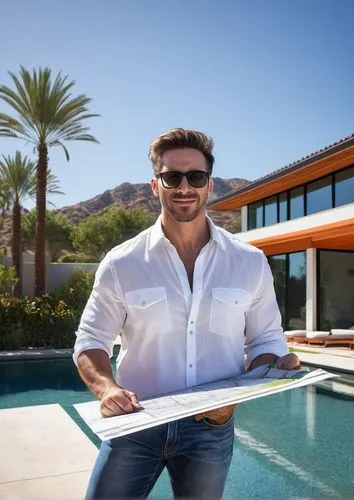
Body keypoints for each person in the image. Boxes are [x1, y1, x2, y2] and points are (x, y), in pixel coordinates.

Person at [73, 128, 300, 499]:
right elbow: (90, 341)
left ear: (209, 185)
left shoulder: (250, 262)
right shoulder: (121, 263)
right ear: (154, 185)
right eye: (171, 176)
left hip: (212, 429)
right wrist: (107, 387)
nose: (184, 187)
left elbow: (266, 340)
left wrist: (256, 381)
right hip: (134, 423)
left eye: (195, 176)